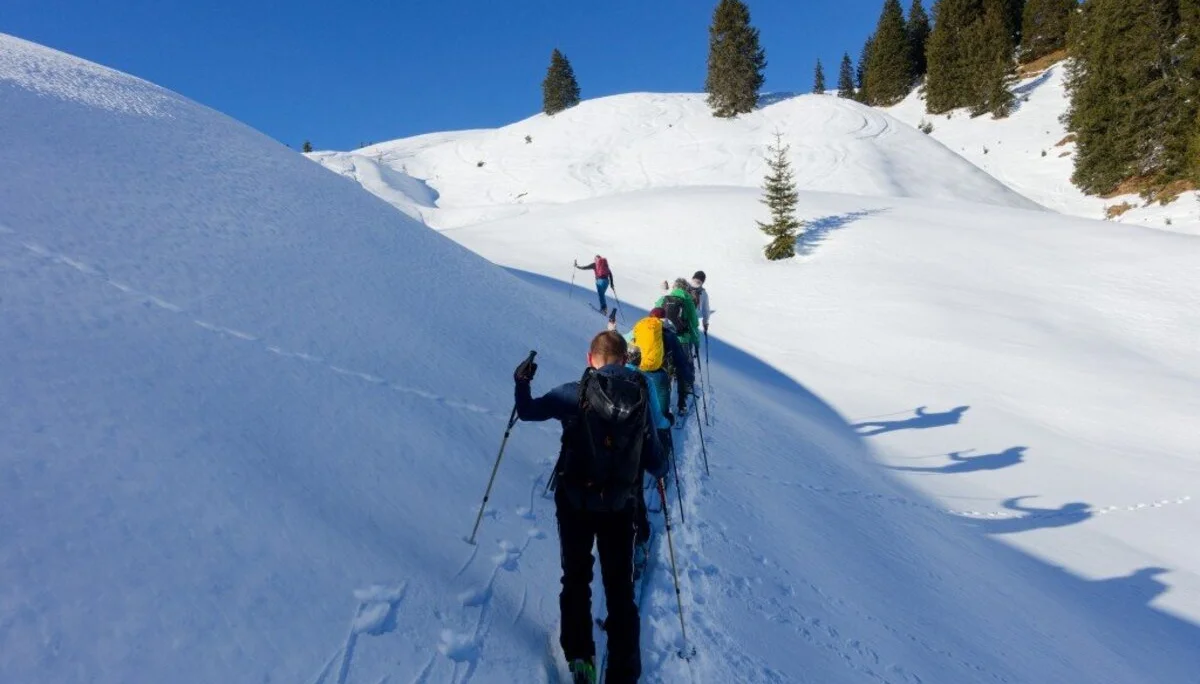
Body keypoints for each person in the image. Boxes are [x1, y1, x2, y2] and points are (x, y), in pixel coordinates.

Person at [514, 331, 667, 684]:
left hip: (574, 502)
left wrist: (521, 381)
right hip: (620, 505)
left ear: (590, 358)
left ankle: (580, 656)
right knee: (619, 586)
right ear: (625, 359)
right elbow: (656, 462)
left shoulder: (575, 392)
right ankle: (624, 672)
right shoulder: (641, 397)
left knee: (577, 575)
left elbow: (527, 411)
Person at [654, 279, 701, 413]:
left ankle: (663, 403)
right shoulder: (688, 300)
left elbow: (654, 317)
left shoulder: (664, 299)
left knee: (665, 370)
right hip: (682, 340)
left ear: (674, 287)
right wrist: (696, 342)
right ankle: (682, 403)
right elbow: (694, 324)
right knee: (682, 368)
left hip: (665, 338)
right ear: (686, 289)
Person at [689, 270, 710, 335]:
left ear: (693, 278)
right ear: (702, 282)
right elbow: (705, 310)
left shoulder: (683, 286)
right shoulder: (703, 293)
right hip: (693, 321)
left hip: (678, 320)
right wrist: (705, 323)